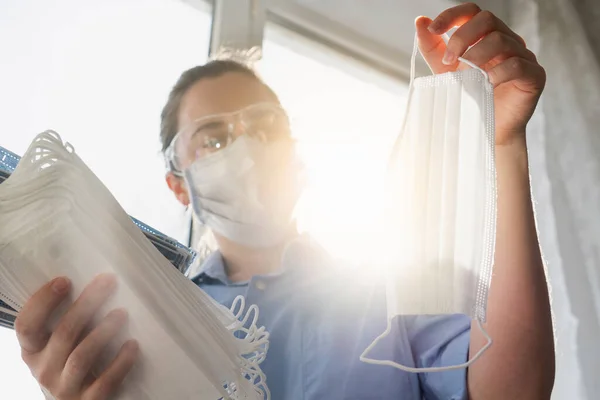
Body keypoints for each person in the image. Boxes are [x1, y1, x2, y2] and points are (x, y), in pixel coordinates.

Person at [13, 4, 555, 400]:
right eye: (214, 137)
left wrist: (503, 142)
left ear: (295, 148)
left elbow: (515, 387)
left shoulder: (387, 290)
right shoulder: (141, 313)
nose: (246, 148)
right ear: (178, 183)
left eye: (263, 125)